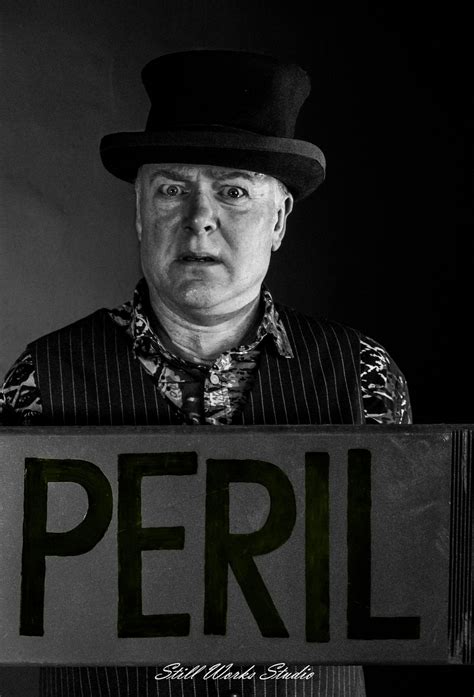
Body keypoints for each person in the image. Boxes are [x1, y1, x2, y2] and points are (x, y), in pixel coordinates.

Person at [0, 50, 411, 696]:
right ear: (140, 213)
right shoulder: (40, 382)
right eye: (171, 190)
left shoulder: (363, 378)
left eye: (233, 191)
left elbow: (401, 582)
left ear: (279, 219)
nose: (199, 218)